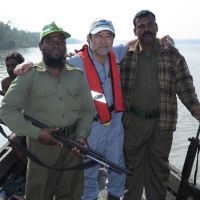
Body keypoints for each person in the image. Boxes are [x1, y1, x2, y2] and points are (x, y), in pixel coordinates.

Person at [13, 19, 174, 200]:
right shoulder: (75, 61)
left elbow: (134, 42)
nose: (103, 41)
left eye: (108, 36)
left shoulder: (117, 53)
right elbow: (52, 59)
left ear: (113, 39)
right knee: (87, 169)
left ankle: (114, 196)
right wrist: (28, 63)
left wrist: (160, 38)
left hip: (115, 123)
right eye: (98, 36)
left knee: (117, 165)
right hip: (89, 124)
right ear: (89, 38)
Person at [0, 22, 95, 200]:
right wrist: (37, 133)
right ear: (40, 46)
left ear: (65, 45)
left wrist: (82, 136)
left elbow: (88, 109)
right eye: (49, 40)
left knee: (71, 193)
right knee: (39, 193)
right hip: (41, 148)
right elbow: (6, 110)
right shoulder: (28, 75)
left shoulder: (77, 75)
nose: (56, 44)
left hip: (74, 146)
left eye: (60, 40)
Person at [119, 10, 200, 200]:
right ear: (135, 30)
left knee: (158, 173)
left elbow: (185, 85)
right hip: (133, 124)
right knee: (131, 174)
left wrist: (196, 109)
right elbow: (100, 64)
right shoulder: (124, 55)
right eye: (141, 26)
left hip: (162, 124)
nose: (146, 29)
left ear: (156, 27)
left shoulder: (172, 54)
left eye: (150, 25)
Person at [0, 52, 27, 165]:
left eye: (14, 65)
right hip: (17, 118)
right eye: (8, 66)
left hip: (31, 119)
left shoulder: (29, 80)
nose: (10, 69)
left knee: (14, 140)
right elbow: (9, 105)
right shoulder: (6, 82)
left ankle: (29, 170)